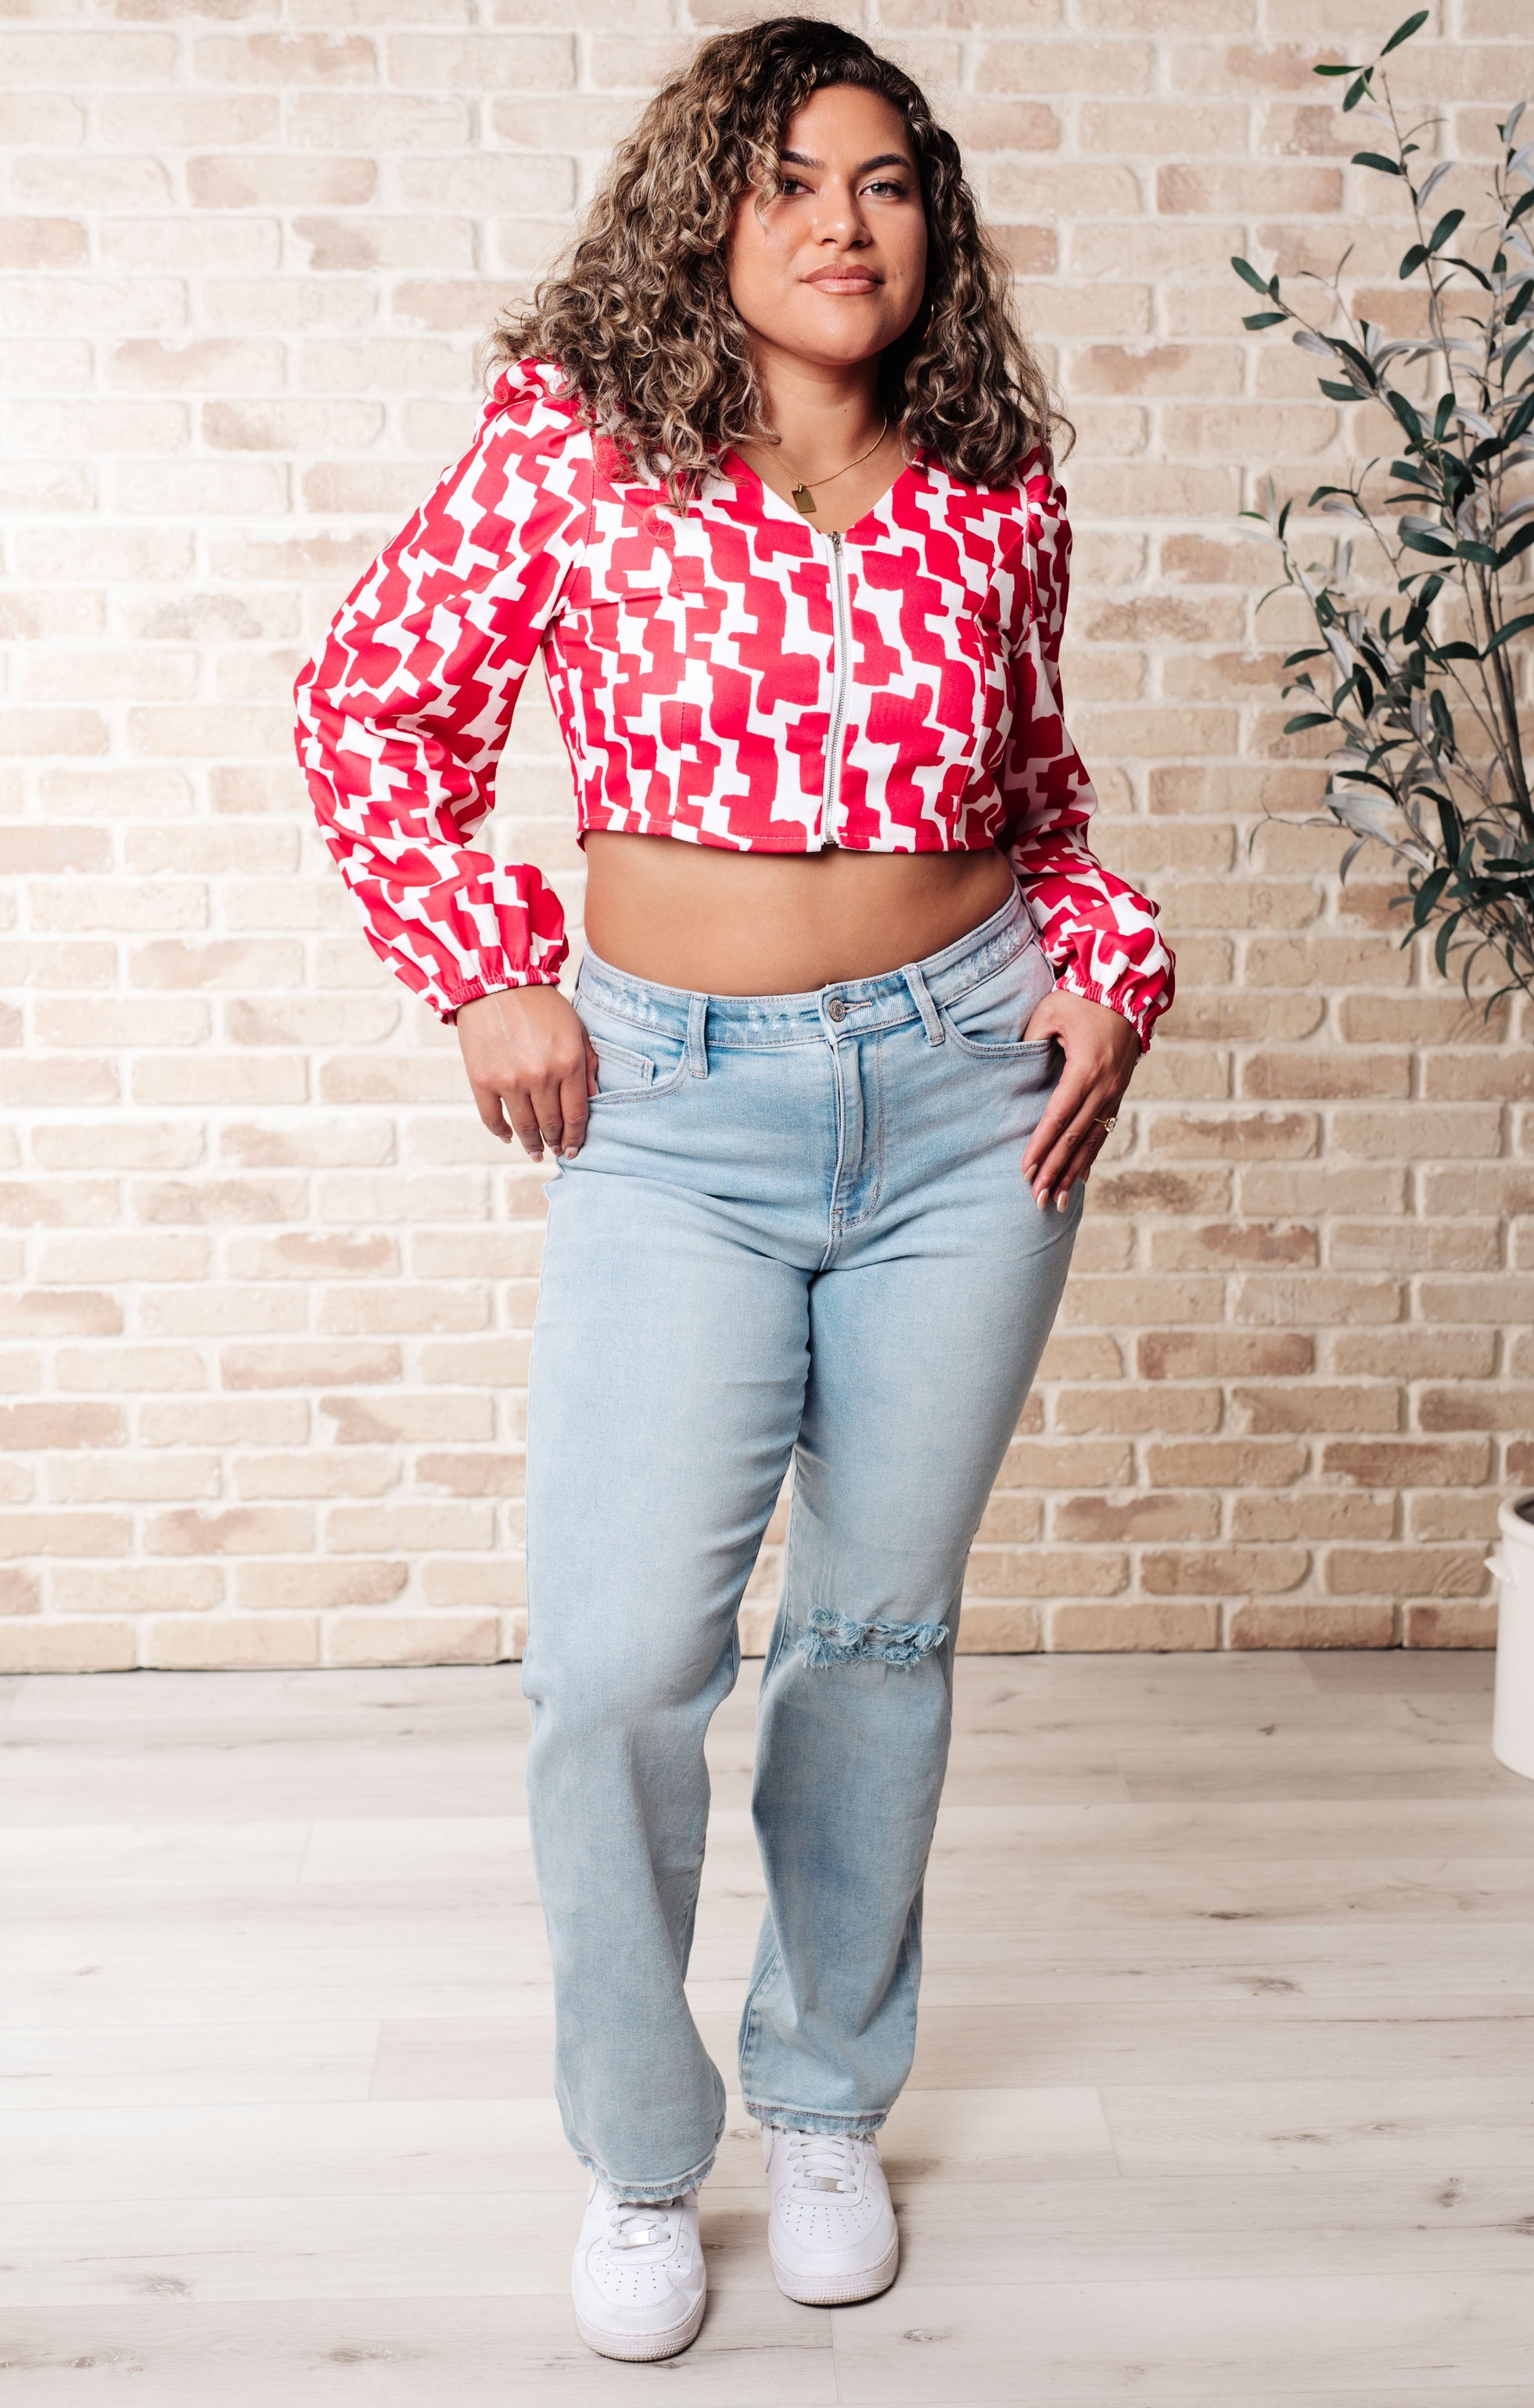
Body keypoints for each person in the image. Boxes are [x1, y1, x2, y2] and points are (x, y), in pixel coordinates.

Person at [295, 16, 1175, 2364]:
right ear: (705, 209)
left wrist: (1110, 968)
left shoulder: (998, 487)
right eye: (788, 178)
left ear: (932, 222)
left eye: (884, 182)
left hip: (969, 1103)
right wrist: (491, 969)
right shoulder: (575, 446)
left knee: (873, 1636)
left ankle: (823, 2096)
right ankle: (635, 2148)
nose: (839, 222)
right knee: (614, 1669)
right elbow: (369, 705)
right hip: (676, 1116)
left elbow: (1046, 808)